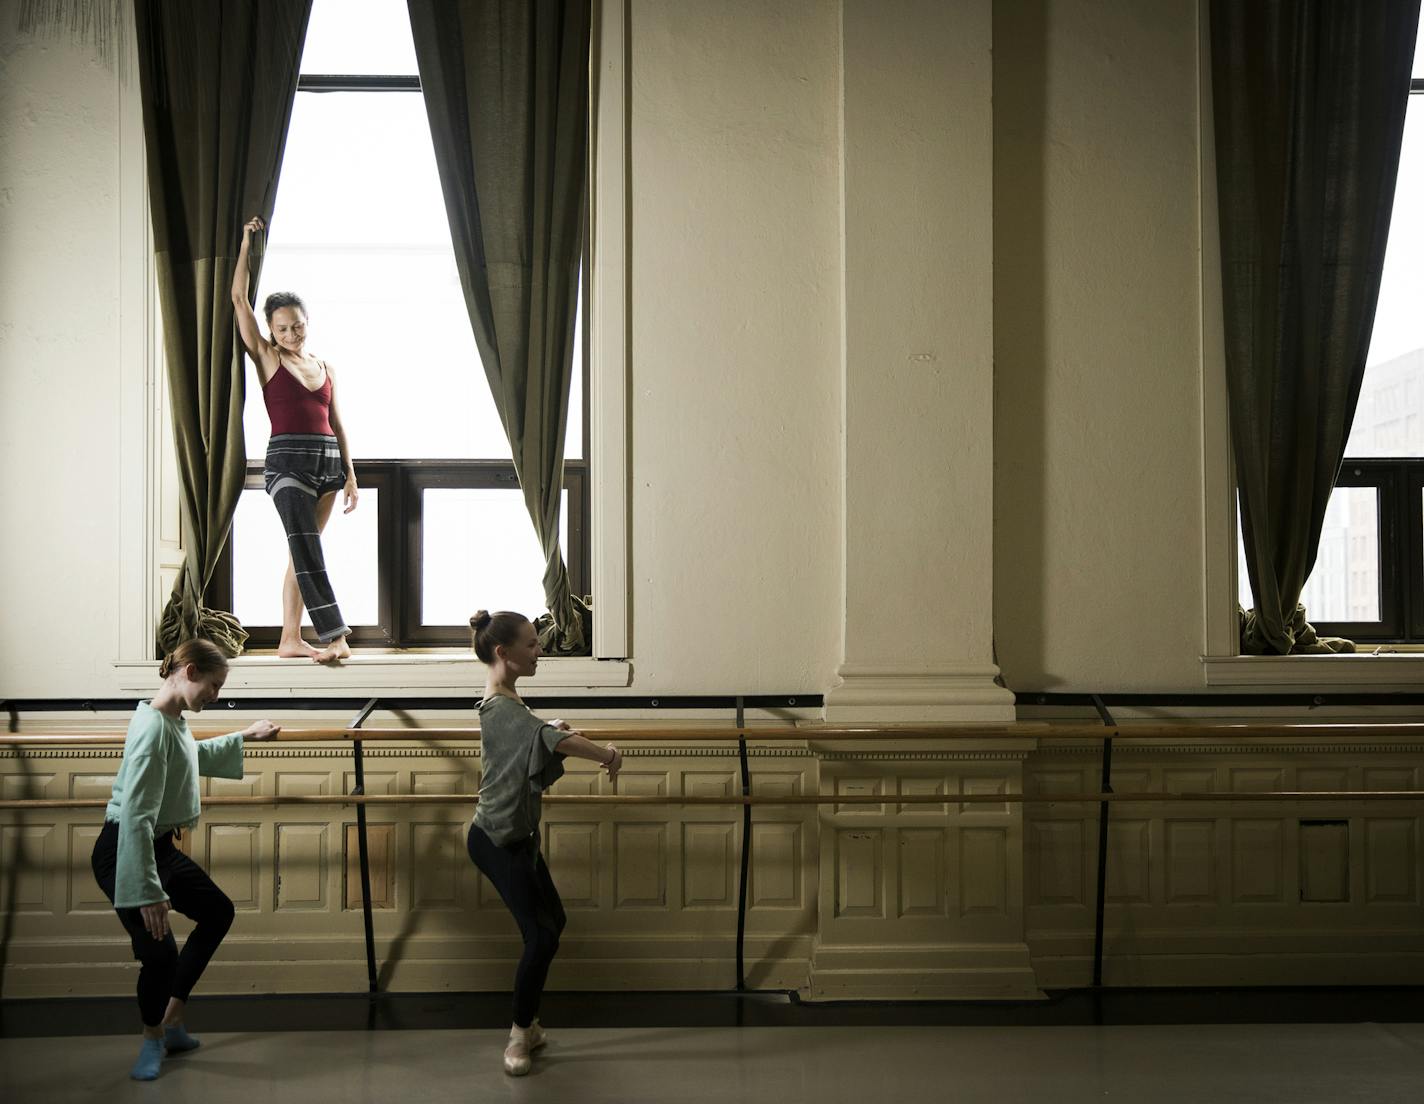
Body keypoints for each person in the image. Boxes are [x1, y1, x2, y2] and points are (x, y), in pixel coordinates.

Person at [90, 638, 279, 1081]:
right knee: (159, 957)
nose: (216, 696)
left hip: (154, 846)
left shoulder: (169, 717)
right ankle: (152, 1037)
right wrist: (147, 890)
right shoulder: (153, 729)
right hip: (124, 852)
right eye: (213, 686)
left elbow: (187, 756)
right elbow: (135, 815)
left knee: (217, 912)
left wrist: (243, 736)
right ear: (190, 671)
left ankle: (172, 1017)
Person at [467, 610, 622, 1077]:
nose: (540, 652)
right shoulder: (497, 705)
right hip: (495, 840)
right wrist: (607, 754)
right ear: (504, 652)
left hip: (519, 839)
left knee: (554, 922)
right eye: (532, 645)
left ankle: (529, 1026)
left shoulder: (507, 699)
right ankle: (519, 1034)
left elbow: (533, 731)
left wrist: (545, 726)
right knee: (540, 935)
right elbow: (549, 740)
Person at [231, 215, 357, 663]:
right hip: (286, 464)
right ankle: (335, 635)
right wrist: (248, 242)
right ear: (270, 330)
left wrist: (350, 476)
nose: (291, 334)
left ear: (307, 322)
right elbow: (238, 299)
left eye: (297, 326)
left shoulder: (326, 367)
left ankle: (290, 638)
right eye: (282, 328)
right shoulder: (266, 357)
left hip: (327, 464)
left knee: (302, 549)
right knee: (306, 545)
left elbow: (338, 425)